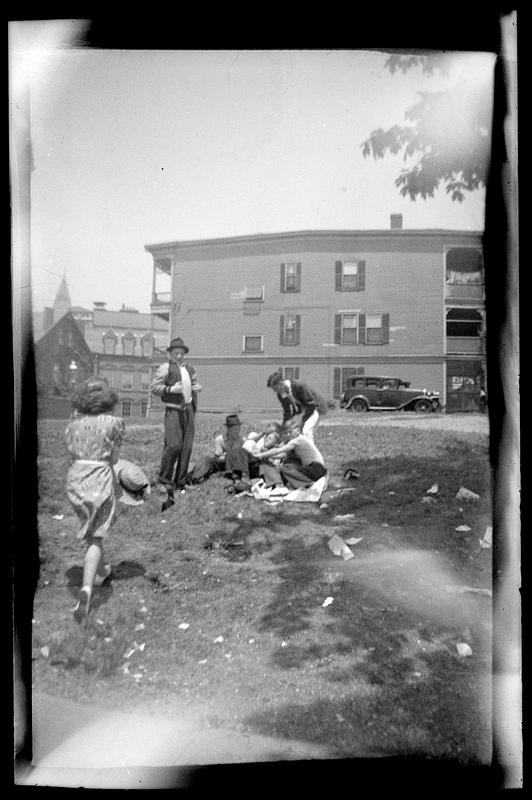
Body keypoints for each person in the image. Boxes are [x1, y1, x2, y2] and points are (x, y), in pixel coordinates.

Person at [65, 379, 125, 623]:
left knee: (92, 533)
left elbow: (71, 454)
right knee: (97, 535)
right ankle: (88, 589)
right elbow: (113, 458)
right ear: (108, 399)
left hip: (76, 477)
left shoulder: (72, 426)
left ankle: (101, 572)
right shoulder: (114, 424)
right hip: (99, 476)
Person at [151, 337, 201, 508]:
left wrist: (197, 387)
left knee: (186, 447)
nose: (179, 356)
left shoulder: (190, 369)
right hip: (173, 409)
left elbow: (194, 384)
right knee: (173, 445)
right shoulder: (165, 368)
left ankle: (180, 481)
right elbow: (154, 388)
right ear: (170, 354)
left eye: (182, 353)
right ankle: (164, 479)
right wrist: (170, 389)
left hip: (189, 410)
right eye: (176, 353)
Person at [257, 419, 328, 490]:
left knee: (285, 468)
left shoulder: (298, 440)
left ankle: (309, 484)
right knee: (285, 469)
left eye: (290, 432)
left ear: (298, 431)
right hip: (317, 469)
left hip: (316, 468)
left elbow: (278, 451)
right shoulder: (299, 440)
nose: (288, 435)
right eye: (287, 433)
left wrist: (261, 455)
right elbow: (283, 455)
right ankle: (304, 485)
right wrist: (267, 455)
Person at [186, 414, 250, 484]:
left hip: (235, 465)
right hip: (222, 462)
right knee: (207, 460)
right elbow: (216, 458)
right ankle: (194, 477)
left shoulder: (242, 440)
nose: (237, 431)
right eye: (235, 429)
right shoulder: (219, 439)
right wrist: (228, 456)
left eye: (238, 429)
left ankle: (231, 476)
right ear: (228, 429)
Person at [266, 372, 326, 443]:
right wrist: (284, 427)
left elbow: (311, 404)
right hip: (304, 410)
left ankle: (311, 452)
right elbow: (287, 412)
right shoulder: (281, 394)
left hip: (316, 408)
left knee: (306, 430)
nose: (275, 391)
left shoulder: (299, 386)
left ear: (281, 383)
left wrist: (303, 420)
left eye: (275, 388)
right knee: (294, 432)